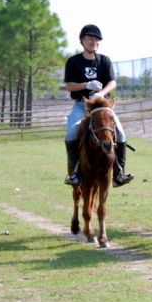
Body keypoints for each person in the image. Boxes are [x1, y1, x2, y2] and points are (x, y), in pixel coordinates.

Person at [63, 24, 133, 187]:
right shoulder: (73, 62)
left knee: (121, 134)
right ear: (82, 41)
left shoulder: (104, 60)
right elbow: (69, 86)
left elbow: (113, 82)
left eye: (97, 39)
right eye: (90, 38)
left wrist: (101, 93)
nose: (94, 41)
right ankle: (74, 174)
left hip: (103, 107)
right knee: (71, 133)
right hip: (82, 106)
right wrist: (86, 86)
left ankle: (119, 173)